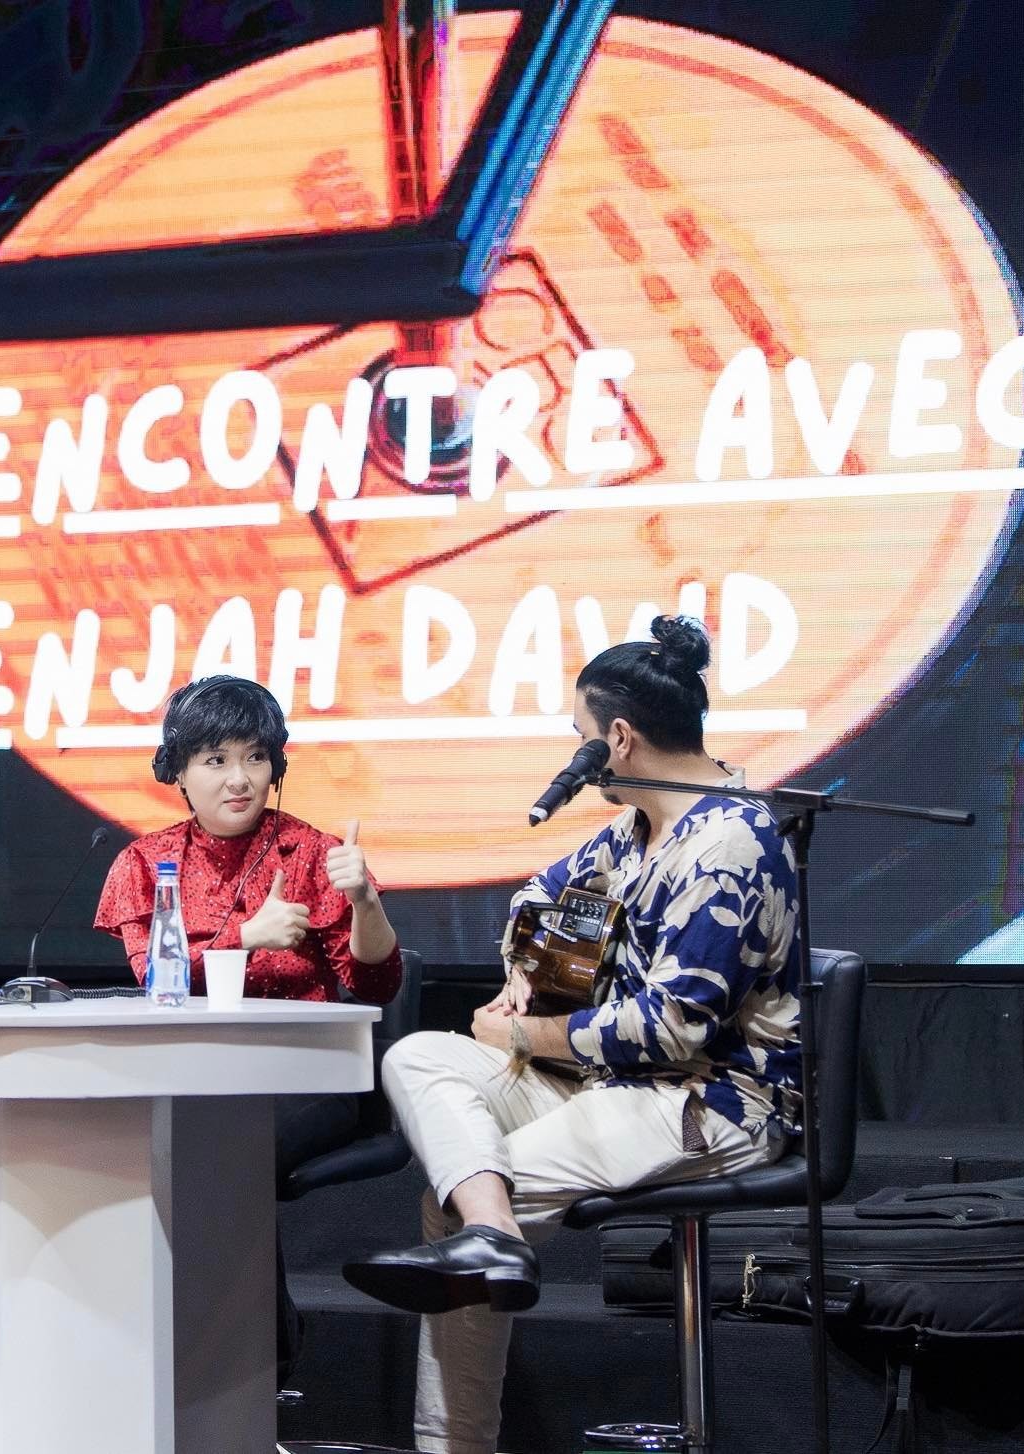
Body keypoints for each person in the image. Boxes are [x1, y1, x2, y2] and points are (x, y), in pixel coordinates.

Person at [343, 617, 802, 1454]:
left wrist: (527, 1036)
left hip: (707, 1101)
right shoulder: (636, 830)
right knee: (419, 1055)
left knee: (465, 1195)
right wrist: (534, 970)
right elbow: (536, 897)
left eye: (578, 734)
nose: (576, 751)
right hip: (606, 1082)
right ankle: (492, 1240)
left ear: (617, 740)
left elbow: (671, 1027)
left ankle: (461, 1401)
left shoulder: (729, 842)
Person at [93, 673, 402, 1376]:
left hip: (310, 1076)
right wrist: (245, 937)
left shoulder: (313, 853)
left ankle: (253, 1357)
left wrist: (365, 902)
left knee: (219, 1155)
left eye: (256, 757)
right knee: (141, 1149)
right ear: (178, 770)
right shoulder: (145, 863)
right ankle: (180, 1350)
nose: (240, 778)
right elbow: (156, 980)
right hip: (194, 1074)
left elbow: (375, 984)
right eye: (216, 760)